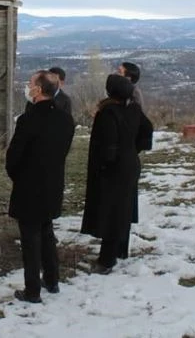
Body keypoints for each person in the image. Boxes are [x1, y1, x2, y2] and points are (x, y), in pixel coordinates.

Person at [6, 71, 75, 303]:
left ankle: (32, 290)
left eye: (30, 83)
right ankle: (52, 280)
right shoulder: (65, 119)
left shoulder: (28, 120)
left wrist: (17, 176)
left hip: (29, 186)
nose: (28, 87)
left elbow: (13, 157)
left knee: (30, 239)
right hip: (53, 184)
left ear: (38, 89)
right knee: (46, 232)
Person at [80, 74, 153, 274]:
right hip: (130, 165)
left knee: (111, 213)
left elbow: (108, 145)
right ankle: (120, 250)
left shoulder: (108, 113)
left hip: (113, 170)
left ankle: (107, 260)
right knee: (123, 210)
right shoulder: (134, 109)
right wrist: (133, 149)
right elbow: (148, 129)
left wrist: (106, 163)